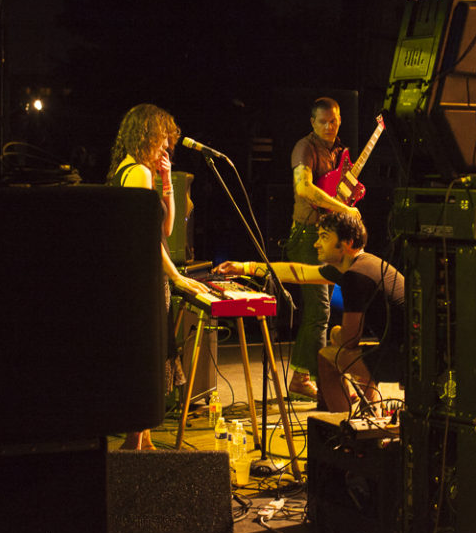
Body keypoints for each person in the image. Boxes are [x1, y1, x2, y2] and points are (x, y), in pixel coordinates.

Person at [217, 212, 403, 412]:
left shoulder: (355, 276)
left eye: (324, 237)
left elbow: (350, 339)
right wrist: (247, 267)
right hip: (409, 350)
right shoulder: (361, 264)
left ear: (348, 243)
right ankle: (372, 415)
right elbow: (300, 273)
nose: (316, 244)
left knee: (326, 358)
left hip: (406, 359)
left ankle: (345, 429)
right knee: (343, 346)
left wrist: (337, 336)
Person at [107, 103, 208, 450]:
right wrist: (177, 277)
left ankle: (145, 442)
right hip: (146, 280)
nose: (166, 147)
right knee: (148, 358)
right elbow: (150, 238)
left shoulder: (131, 170)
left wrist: (167, 181)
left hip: (142, 276)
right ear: (146, 136)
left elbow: (166, 228)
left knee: (149, 355)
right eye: (162, 139)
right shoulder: (138, 172)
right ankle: (135, 447)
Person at [285, 97, 362, 400]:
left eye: (335, 120)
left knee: (319, 312)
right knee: (319, 310)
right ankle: (322, 381)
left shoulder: (339, 153)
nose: (330, 126)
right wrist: (342, 208)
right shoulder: (305, 147)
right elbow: (303, 189)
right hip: (306, 237)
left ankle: (302, 377)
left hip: (327, 239)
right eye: (324, 122)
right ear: (312, 123)